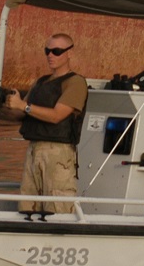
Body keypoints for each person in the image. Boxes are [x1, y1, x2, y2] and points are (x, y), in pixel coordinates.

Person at [5, 33, 88, 214]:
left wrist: (23, 106)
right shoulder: (40, 82)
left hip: (58, 153)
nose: (51, 55)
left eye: (57, 51)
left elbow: (57, 116)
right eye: (47, 51)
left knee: (58, 208)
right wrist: (1, 106)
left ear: (69, 53)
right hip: (34, 149)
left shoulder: (75, 82)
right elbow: (20, 113)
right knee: (28, 205)